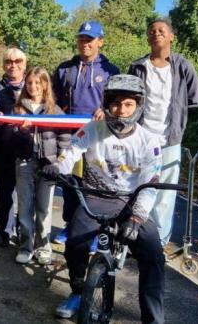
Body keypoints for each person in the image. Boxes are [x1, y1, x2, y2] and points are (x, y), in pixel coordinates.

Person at [47, 75, 164, 322]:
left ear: (138, 106)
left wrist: (137, 217)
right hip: (94, 198)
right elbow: (70, 153)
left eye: (128, 104)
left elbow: (151, 183)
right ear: (107, 104)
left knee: (152, 251)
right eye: (116, 103)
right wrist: (58, 168)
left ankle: (153, 317)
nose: (121, 110)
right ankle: (78, 292)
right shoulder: (91, 129)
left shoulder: (149, 141)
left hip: (130, 204)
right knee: (75, 241)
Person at [128, 18, 198, 247]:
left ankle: (158, 242)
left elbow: (195, 99)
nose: (156, 33)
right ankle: (135, 236)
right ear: (147, 37)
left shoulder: (182, 66)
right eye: (152, 31)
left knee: (165, 195)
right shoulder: (138, 67)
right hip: (141, 138)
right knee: (138, 187)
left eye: (162, 30)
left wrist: (177, 113)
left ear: (171, 36)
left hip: (170, 141)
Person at [51, 20, 120, 244]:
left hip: (99, 136)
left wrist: (106, 109)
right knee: (71, 182)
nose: (85, 44)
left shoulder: (111, 71)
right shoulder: (65, 69)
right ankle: (69, 225)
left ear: (100, 42)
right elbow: (52, 98)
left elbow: (118, 101)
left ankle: (94, 231)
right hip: (70, 136)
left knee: (96, 182)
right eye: (81, 39)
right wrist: (57, 109)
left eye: (89, 40)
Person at [1, 67, 70, 265]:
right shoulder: (17, 109)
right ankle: (25, 246)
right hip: (24, 163)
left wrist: (58, 162)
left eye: (38, 83)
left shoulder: (54, 110)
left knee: (44, 208)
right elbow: (7, 139)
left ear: (45, 85)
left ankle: (43, 247)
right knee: (24, 207)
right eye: (30, 83)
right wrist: (21, 132)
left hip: (48, 165)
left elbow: (64, 139)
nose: (33, 87)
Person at [0, 47, 27, 247]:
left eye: (17, 61)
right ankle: (5, 232)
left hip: (26, 147)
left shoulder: (34, 85)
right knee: (4, 192)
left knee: (25, 193)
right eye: (8, 61)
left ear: (24, 64)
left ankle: (25, 232)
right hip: (3, 146)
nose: (13, 65)